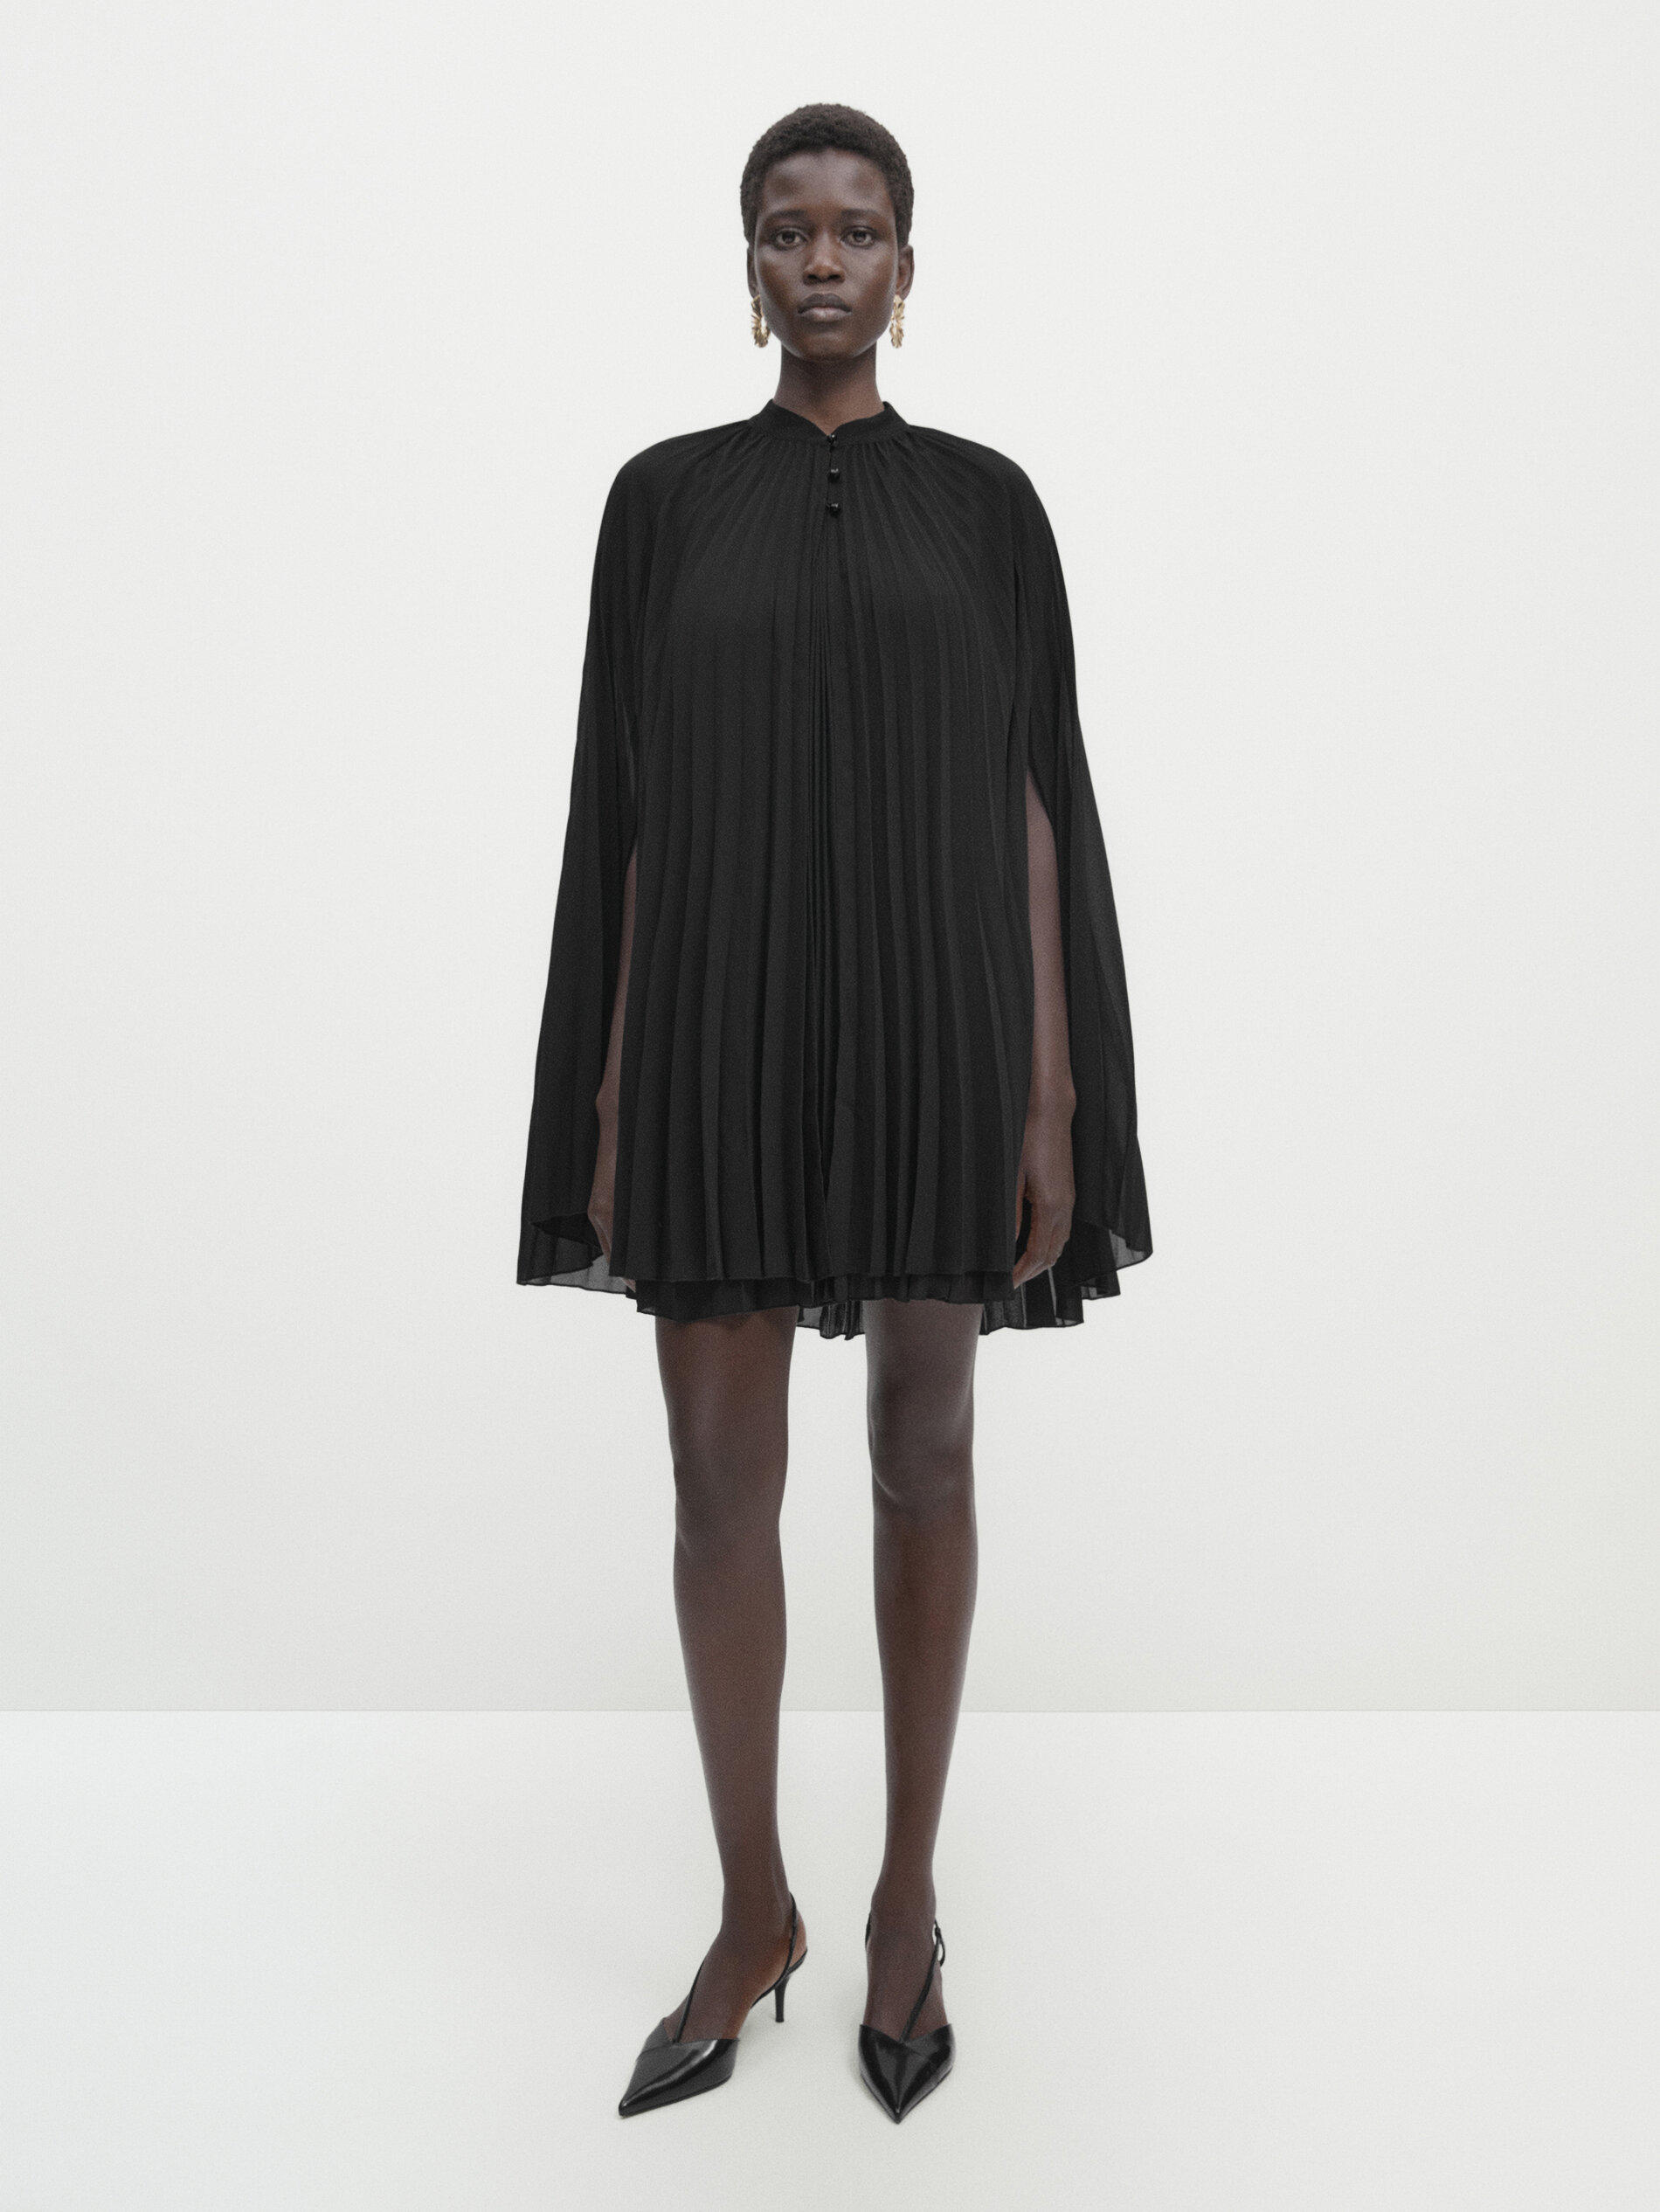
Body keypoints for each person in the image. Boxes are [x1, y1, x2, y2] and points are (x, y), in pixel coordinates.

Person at [517, 103, 1151, 2123]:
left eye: (855, 230)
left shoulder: (987, 508)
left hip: (936, 1031)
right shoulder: (657, 504)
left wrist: (1049, 1091)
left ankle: (900, 1905)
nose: (819, 259)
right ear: (745, 266)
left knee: (922, 1451)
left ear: (904, 268)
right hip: (708, 1033)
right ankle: (749, 1912)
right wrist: (604, 1082)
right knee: (716, 1483)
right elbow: (618, 809)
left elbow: (1037, 799)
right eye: (785, 229)